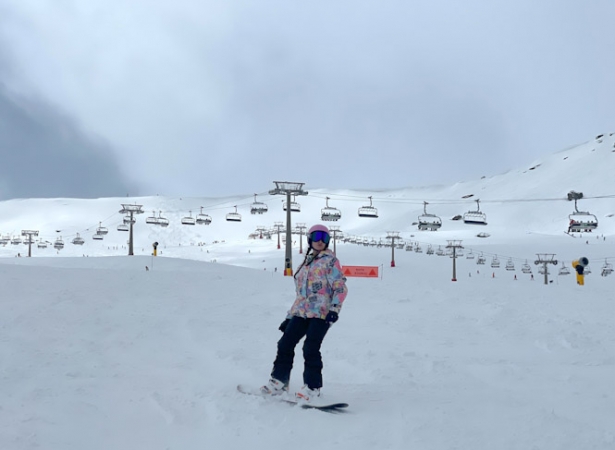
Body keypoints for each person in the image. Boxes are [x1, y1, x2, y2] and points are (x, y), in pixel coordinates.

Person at [261, 224, 348, 403]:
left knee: (310, 347)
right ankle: (279, 381)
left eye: (324, 238)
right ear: (309, 239)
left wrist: (334, 310)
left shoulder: (331, 261)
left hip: (321, 314)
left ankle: (313, 388)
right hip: (301, 312)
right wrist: (289, 317)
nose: (319, 241)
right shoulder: (306, 262)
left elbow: (340, 288)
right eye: (316, 236)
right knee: (285, 343)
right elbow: (301, 295)